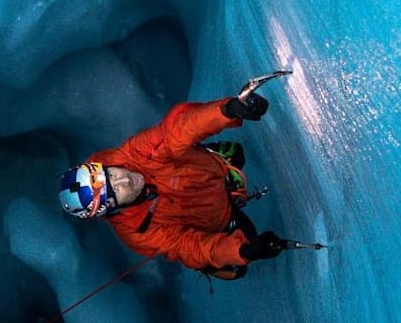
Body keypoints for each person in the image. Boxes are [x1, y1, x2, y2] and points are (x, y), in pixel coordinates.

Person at [57, 93, 289, 279]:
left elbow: (177, 131)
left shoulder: (134, 153)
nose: (124, 179)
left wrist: (226, 110)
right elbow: (188, 247)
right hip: (221, 220)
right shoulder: (137, 233)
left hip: (215, 170)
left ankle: (225, 172)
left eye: (112, 174)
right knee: (240, 261)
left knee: (237, 152)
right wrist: (241, 251)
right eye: (115, 190)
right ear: (112, 208)